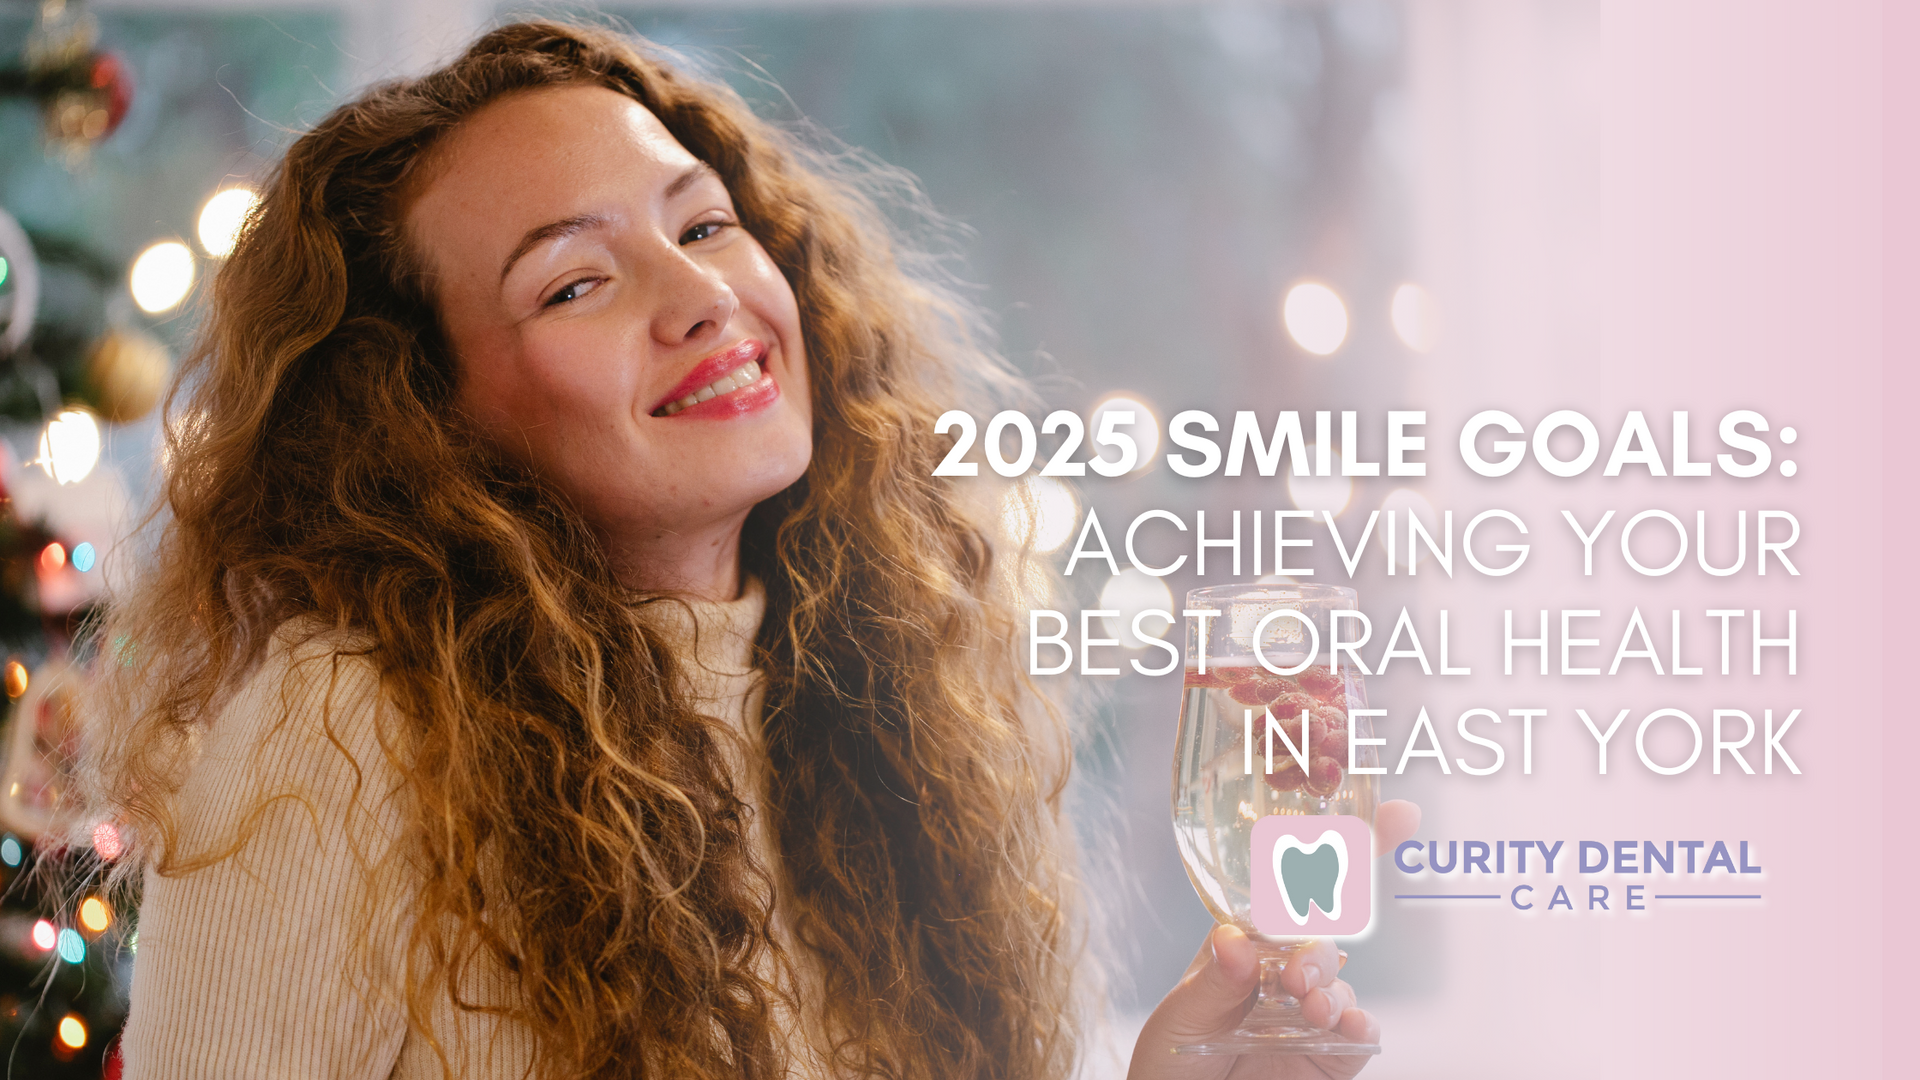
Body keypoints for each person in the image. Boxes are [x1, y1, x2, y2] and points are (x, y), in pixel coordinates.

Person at [81, 20, 1416, 1080]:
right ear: (419, 418)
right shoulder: (340, 730)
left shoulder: (876, 699)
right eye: (575, 282)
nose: (704, 298)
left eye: (704, 223)